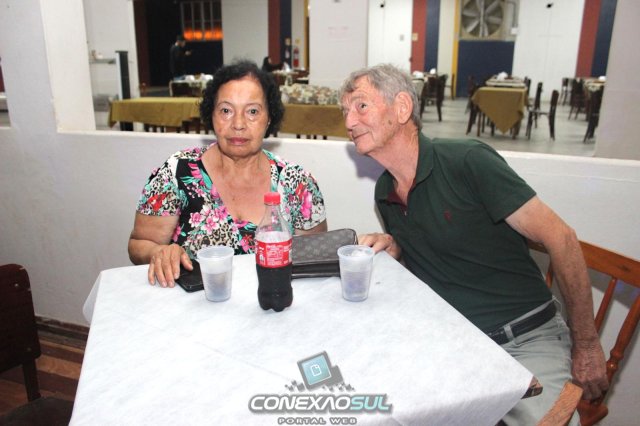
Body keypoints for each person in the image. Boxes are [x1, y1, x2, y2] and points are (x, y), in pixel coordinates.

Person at [339, 64, 608, 425]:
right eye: (345, 111)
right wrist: (395, 246)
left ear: (402, 108)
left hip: (525, 340)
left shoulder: (467, 161)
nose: (349, 122)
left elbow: (562, 238)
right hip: (457, 345)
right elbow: (431, 253)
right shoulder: (385, 191)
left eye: (360, 106)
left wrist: (586, 344)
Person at [128, 60, 327, 287]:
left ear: (269, 118)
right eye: (226, 111)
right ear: (211, 115)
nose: (238, 124)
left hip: (273, 302)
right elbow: (139, 244)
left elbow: (317, 258)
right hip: (196, 304)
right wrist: (158, 252)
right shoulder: (176, 173)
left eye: (252, 111)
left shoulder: (298, 183)